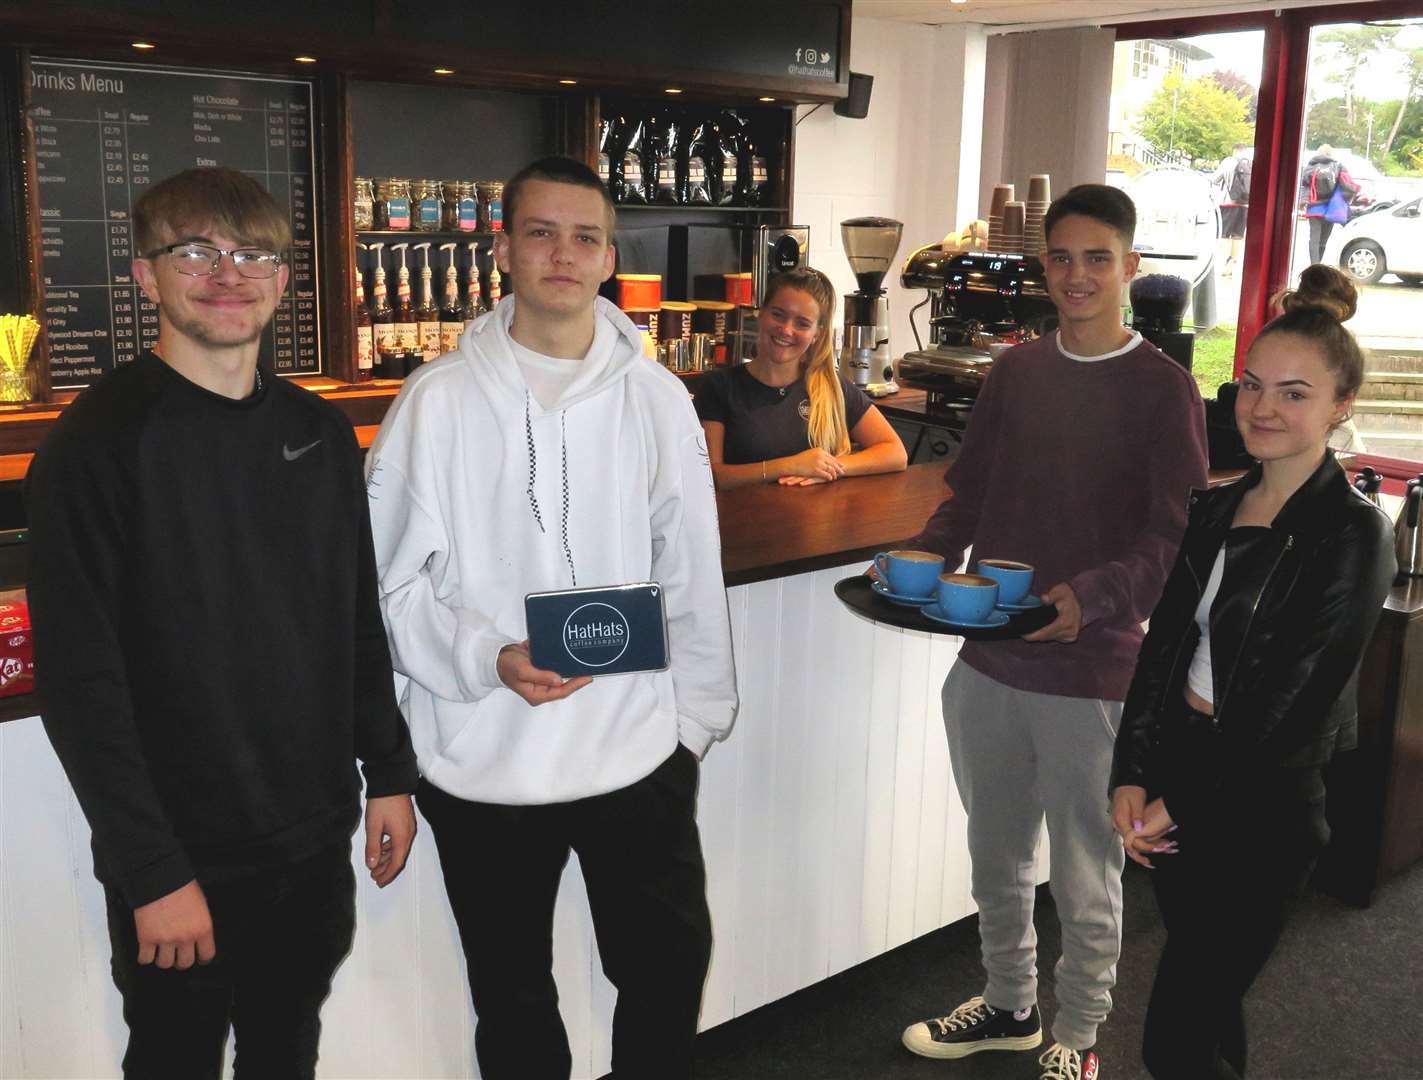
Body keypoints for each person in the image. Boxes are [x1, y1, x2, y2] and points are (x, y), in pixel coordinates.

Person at [25, 167, 419, 1079]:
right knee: (175, 1060)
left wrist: (388, 771)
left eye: (252, 254)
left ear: (284, 279)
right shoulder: (94, 446)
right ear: (144, 275)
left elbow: (351, 619)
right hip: (181, 853)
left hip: (311, 832)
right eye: (194, 250)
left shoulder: (318, 436)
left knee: (287, 1048)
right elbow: (81, 687)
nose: (227, 274)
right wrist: (152, 870)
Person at [365, 155, 737, 1080]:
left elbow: (691, 569)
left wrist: (690, 725)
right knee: (513, 999)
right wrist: (488, 656)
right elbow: (387, 587)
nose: (562, 254)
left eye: (583, 236)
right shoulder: (435, 404)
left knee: (663, 976)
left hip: (637, 755)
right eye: (540, 232)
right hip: (481, 764)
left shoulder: (657, 399)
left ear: (610, 256)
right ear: (502, 249)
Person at [896, 184, 1208, 1080]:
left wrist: (1092, 597)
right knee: (995, 857)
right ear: (1045, 267)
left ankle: (1076, 1038)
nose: (1077, 275)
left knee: (1083, 877)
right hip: (988, 658)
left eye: (1097, 259)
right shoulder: (1018, 370)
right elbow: (971, 494)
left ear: (1130, 269)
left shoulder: (1162, 389)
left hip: (1095, 671)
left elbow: (1172, 535)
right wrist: (919, 555)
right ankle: (1007, 1006)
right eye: (1062, 258)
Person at [1109, 264, 1395, 1080]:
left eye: (1295, 393)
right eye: (1252, 386)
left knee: (1175, 1028)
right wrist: (1130, 769)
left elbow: (1290, 706)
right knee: (1208, 1009)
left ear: (1340, 406)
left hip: (1263, 806)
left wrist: (1179, 798)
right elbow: (1162, 647)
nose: (1263, 409)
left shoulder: (1350, 534)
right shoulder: (1215, 506)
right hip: (1181, 769)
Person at [694, 266, 906, 489]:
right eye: (778, 314)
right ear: (760, 313)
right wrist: (790, 465)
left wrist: (829, 467)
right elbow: (713, 477)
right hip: (745, 522)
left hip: (818, 522)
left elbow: (895, 452)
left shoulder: (830, 386)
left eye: (802, 324)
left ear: (818, 334)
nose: (786, 330)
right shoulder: (719, 387)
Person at [1299, 145, 1358, 264]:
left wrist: (1303, 201)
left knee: (1314, 239)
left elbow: (1304, 184)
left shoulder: (1311, 166)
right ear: (1331, 154)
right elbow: (1348, 185)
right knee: (1323, 240)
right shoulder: (1338, 166)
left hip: (1314, 208)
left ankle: (1314, 265)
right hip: (1331, 208)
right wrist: (1346, 199)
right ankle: (1319, 264)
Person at [1213, 142, 1252, 276]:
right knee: (1237, 236)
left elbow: (1215, 179)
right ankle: (1232, 261)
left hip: (1228, 203)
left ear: (1234, 150)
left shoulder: (1228, 162)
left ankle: (1224, 261)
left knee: (1223, 234)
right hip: (1245, 205)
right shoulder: (1250, 163)